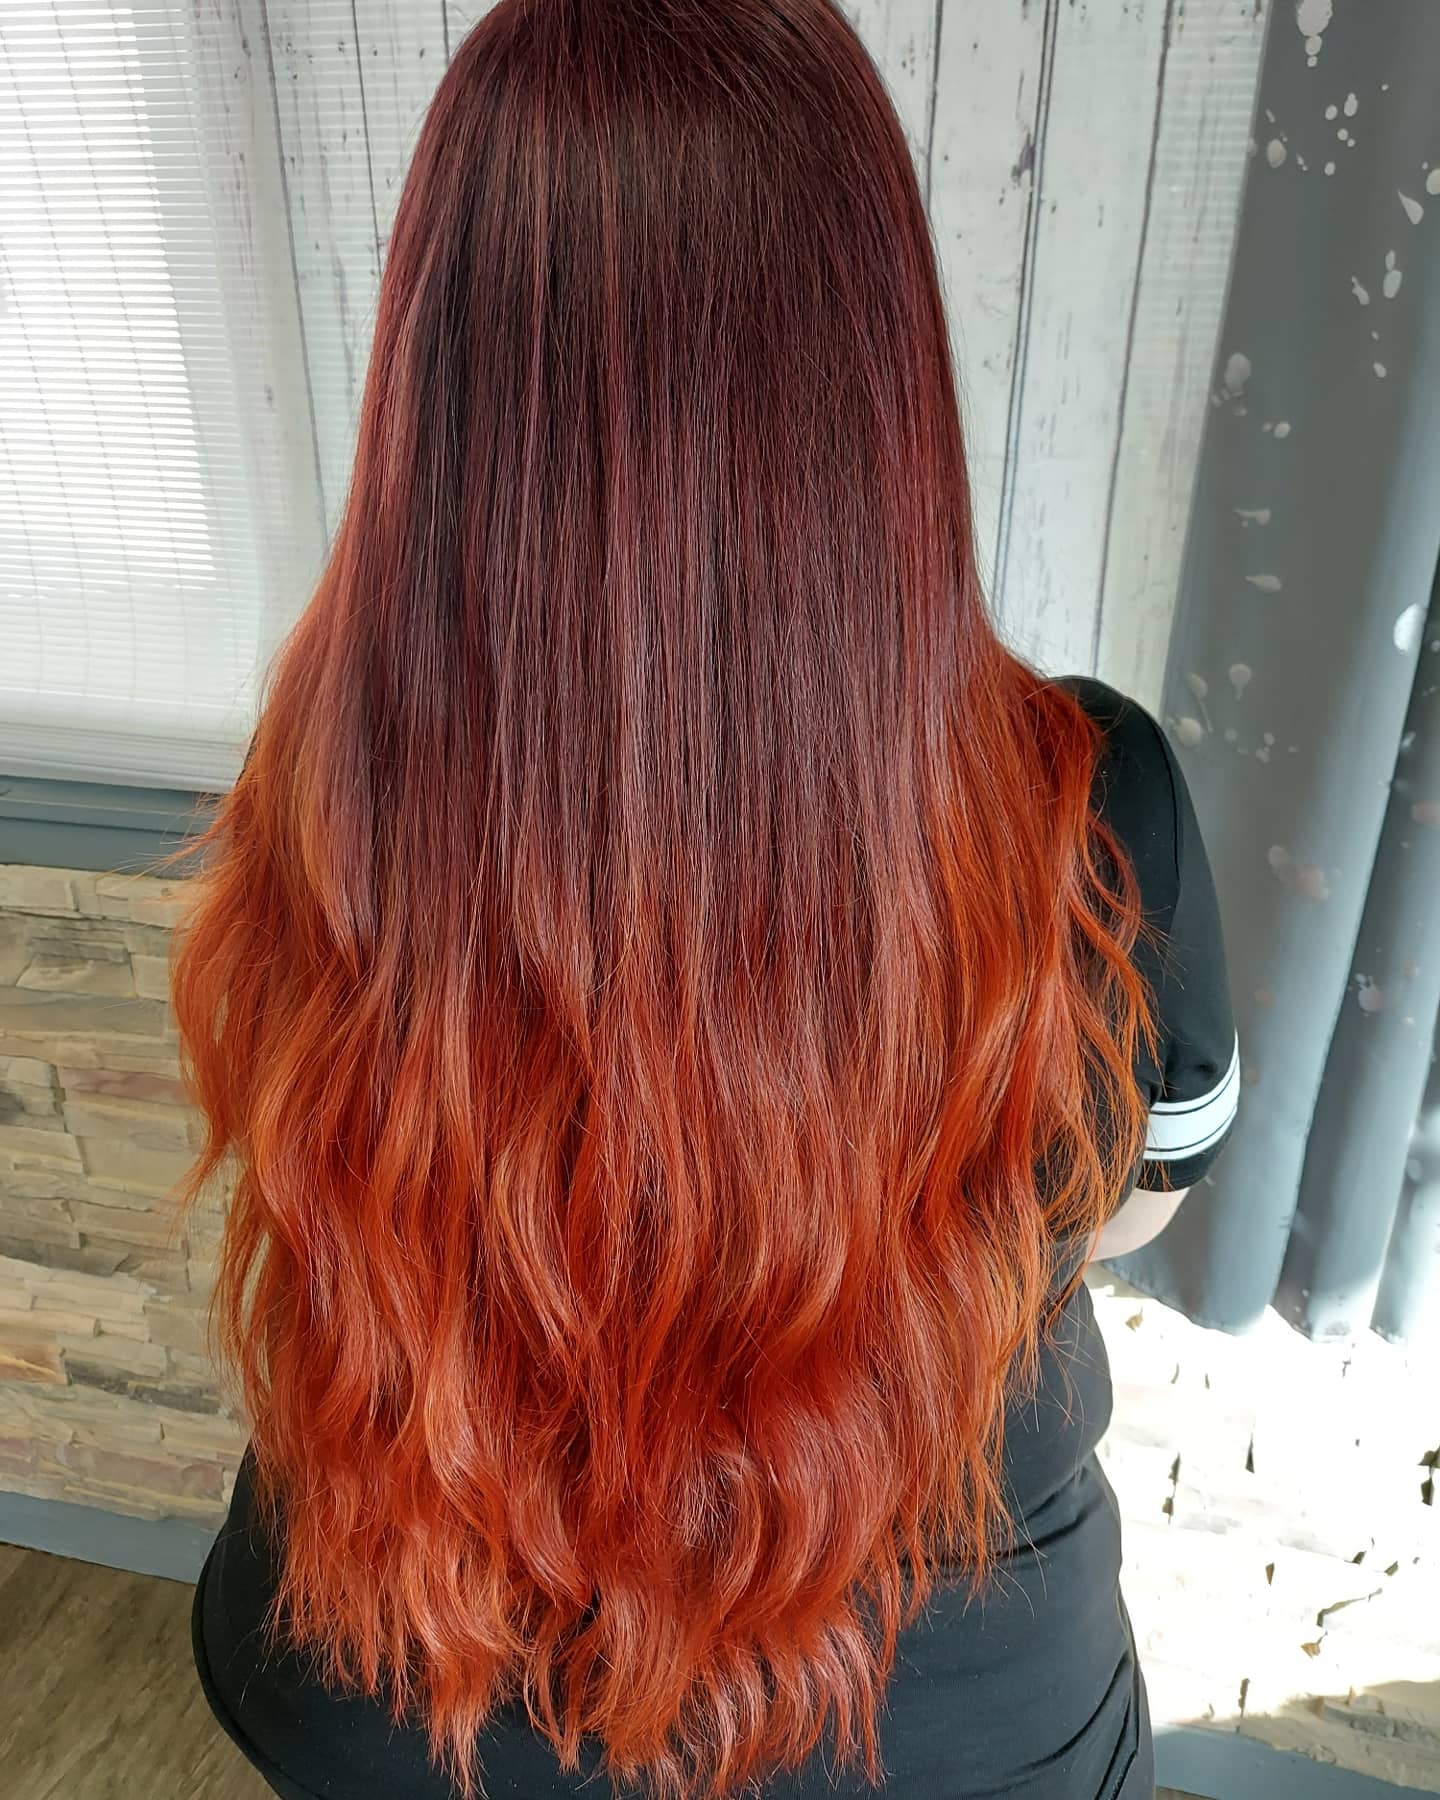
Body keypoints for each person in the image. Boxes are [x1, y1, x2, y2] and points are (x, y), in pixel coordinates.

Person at [174, 2, 1236, 1796]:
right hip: (947, 1721)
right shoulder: (1088, 802)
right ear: (870, 380)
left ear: (446, 372)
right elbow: (1131, 1212)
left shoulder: (326, 786)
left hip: (399, 1695)